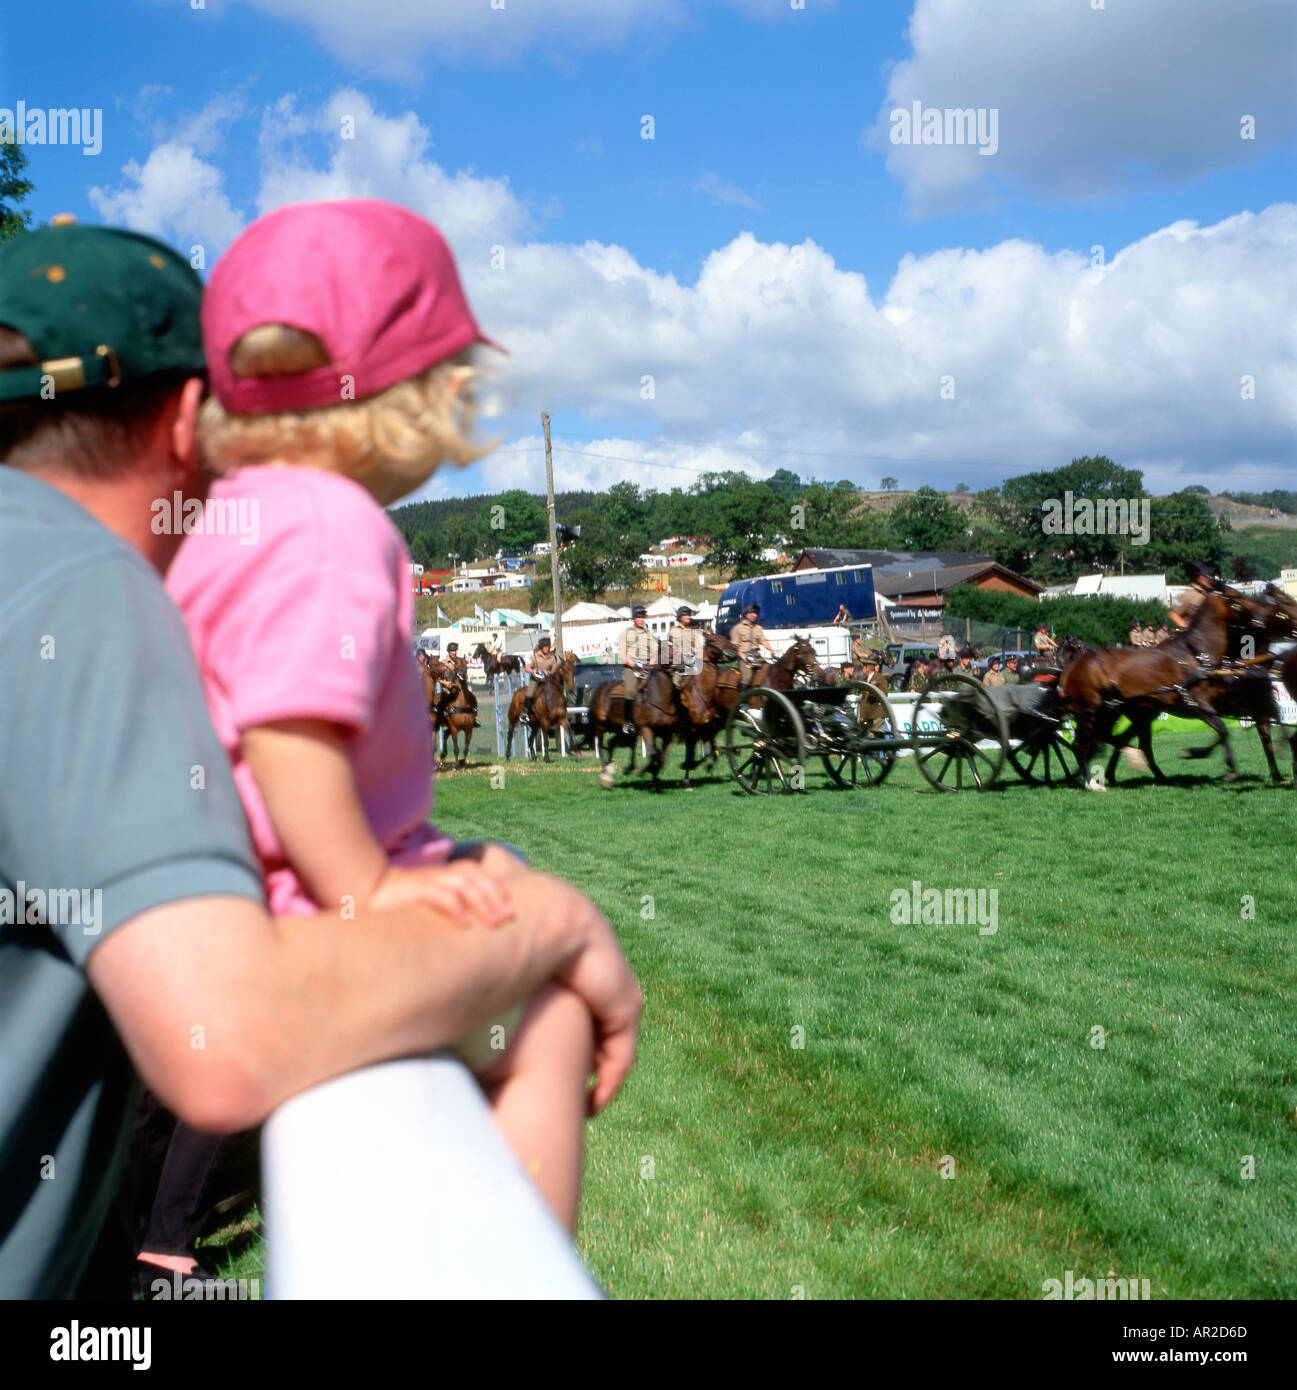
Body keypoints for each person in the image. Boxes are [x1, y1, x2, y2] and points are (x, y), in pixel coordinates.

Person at [0, 216, 640, 1300]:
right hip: (313, 900)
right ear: (194, 412)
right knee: (542, 1008)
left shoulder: (112, 572)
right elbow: (229, 1039)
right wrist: (545, 919)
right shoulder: (96, 589)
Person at [618, 604, 659, 732]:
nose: (642, 619)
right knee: (630, 691)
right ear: (634, 619)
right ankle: (628, 722)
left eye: (643, 617)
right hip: (631, 668)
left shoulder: (649, 634)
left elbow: (655, 651)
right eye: (639, 617)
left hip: (647, 667)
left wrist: (651, 663)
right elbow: (621, 653)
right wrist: (634, 665)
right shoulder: (626, 633)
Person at [730, 601, 774, 683]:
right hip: (744, 657)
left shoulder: (758, 628)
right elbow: (735, 647)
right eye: (751, 613)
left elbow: (763, 641)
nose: (754, 615)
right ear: (745, 613)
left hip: (757, 656)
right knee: (747, 677)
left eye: (755, 613)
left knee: (770, 670)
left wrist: (770, 649)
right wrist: (745, 658)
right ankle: (743, 695)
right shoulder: (737, 628)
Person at [664, 605, 705, 688]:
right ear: (680, 617)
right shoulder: (673, 630)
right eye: (686, 615)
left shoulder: (694, 631)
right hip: (678, 665)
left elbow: (699, 648)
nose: (688, 617)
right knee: (675, 683)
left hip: (691, 663)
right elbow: (668, 647)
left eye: (689, 615)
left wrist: (698, 661)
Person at [523, 635, 558, 724]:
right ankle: (525, 714)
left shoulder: (552, 658)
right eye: (546, 647)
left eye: (548, 647)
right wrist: (533, 671)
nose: (547, 649)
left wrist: (549, 673)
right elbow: (527, 668)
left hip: (547, 680)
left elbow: (554, 671)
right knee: (530, 692)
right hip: (535, 679)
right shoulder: (535, 656)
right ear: (542, 647)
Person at [1169, 561, 1214, 629]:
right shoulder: (1189, 595)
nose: (1210, 578)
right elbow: (1173, 614)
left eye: (1210, 576)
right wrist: (1185, 628)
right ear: (1198, 577)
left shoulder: (1210, 594)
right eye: (1206, 576)